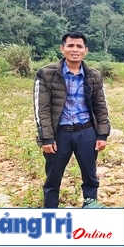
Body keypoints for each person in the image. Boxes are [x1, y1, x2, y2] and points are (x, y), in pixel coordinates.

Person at [33, 32, 110, 208]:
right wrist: (46, 137)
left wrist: (102, 135)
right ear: (62, 49)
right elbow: (41, 109)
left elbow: (101, 106)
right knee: (53, 179)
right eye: (70, 46)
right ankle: (50, 217)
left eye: (79, 46)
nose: (74, 50)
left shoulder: (94, 75)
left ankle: (89, 212)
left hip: (86, 132)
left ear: (85, 51)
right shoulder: (46, 74)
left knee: (90, 177)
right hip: (59, 135)